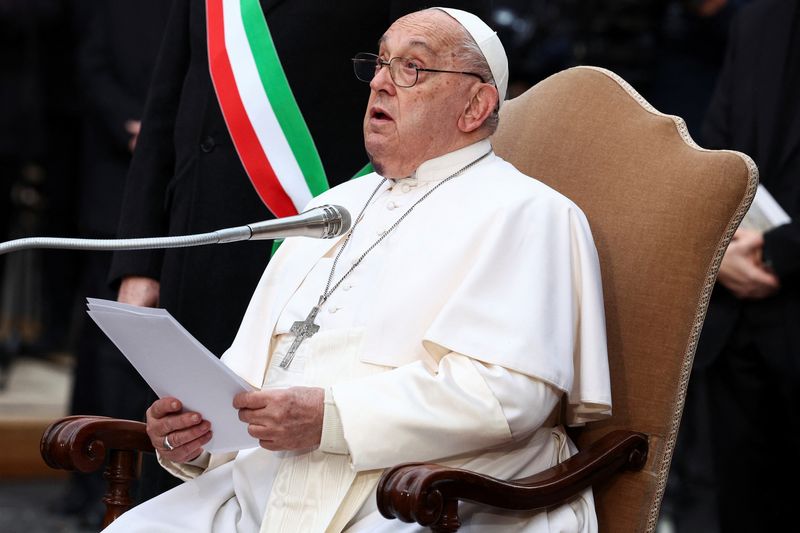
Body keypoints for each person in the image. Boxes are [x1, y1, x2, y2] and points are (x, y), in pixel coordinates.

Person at [103, 8, 611, 532]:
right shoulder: (331, 210)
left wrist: (331, 419)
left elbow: (508, 397)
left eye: (412, 67)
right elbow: (246, 381)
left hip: (427, 496)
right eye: (380, 62)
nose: (381, 82)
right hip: (268, 488)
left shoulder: (530, 213)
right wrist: (199, 434)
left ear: (475, 105)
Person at [107, 0, 489, 502]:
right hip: (202, 234)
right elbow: (167, 107)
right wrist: (141, 259)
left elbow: (435, 66)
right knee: (192, 428)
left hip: (329, 232)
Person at [695, 1, 800, 531]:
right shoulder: (758, 15)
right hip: (740, 332)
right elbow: (718, 150)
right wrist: (719, 249)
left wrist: (783, 251)